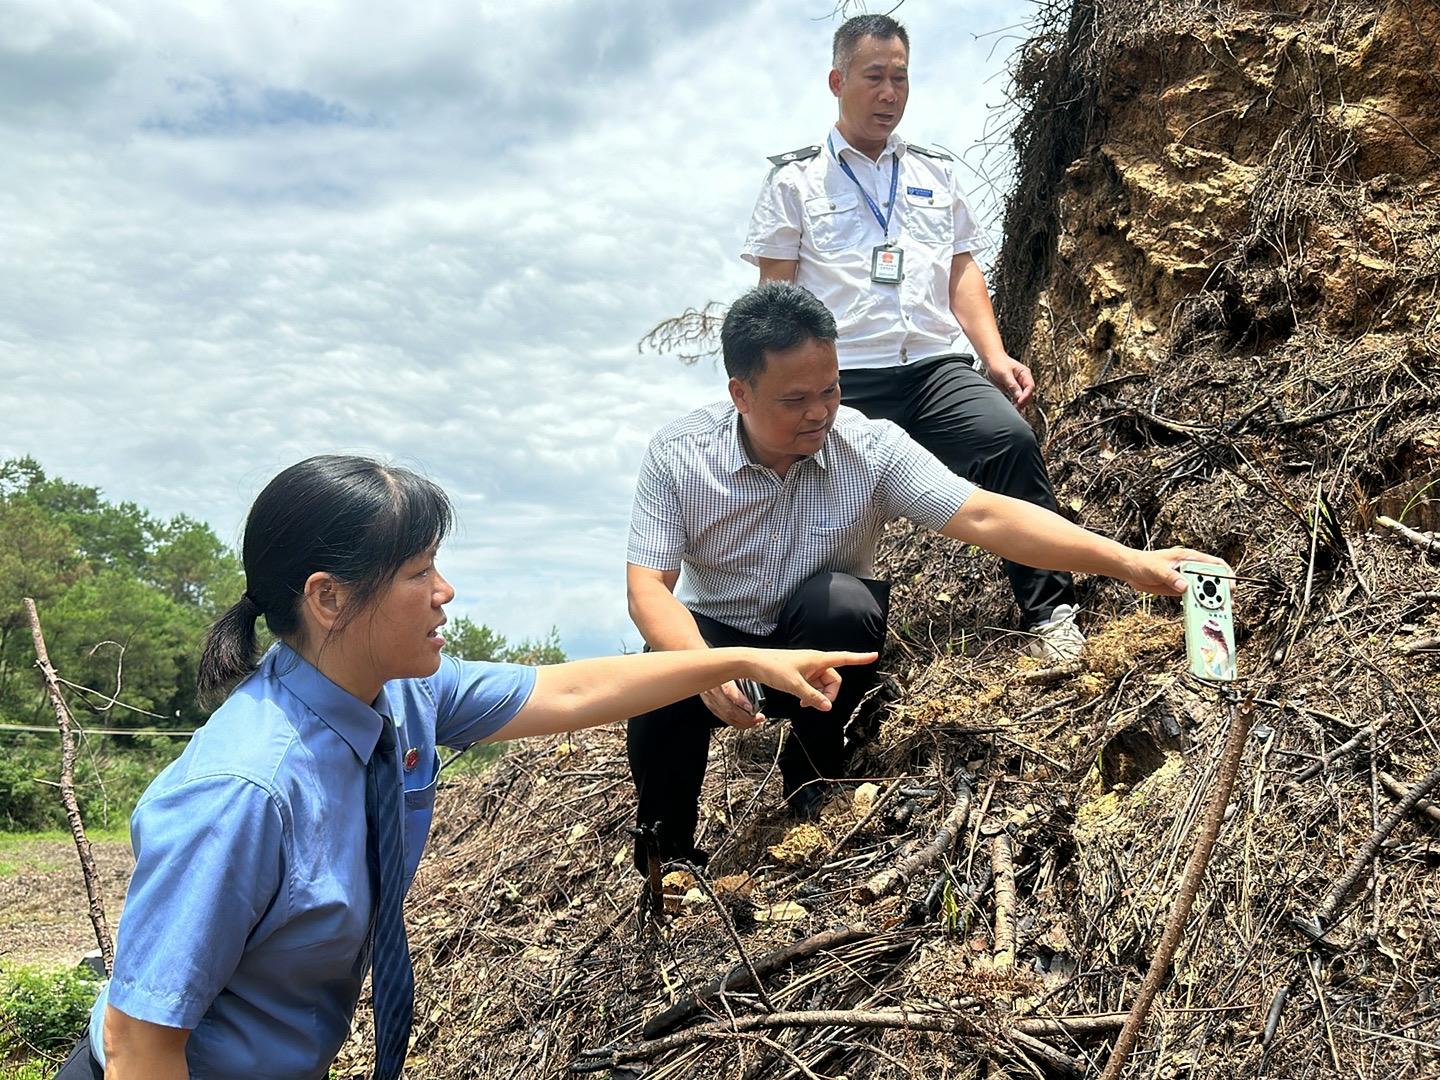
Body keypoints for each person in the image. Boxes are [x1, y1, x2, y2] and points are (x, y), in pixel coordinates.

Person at [59, 455, 874, 1080]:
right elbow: (139, 1044)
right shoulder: (244, 792)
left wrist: (738, 660)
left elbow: (575, 686)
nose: (446, 591)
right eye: (419, 572)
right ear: (328, 598)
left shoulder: (402, 695)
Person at [625, 282, 1224, 865]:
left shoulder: (870, 447)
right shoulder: (680, 456)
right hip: (720, 639)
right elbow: (648, 590)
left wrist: (1131, 562)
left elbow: (988, 515)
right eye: (794, 399)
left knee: (842, 604)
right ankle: (669, 855)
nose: (819, 413)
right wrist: (704, 666)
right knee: (659, 674)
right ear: (741, 393)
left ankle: (814, 779)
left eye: (830, 390)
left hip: (814, 646)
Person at [742, 13, 1086, 662]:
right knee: (825, 514)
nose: (889, 92)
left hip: (933, 369)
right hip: (844, 384)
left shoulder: (936, 172)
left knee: (1007, 441)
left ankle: (1052, 616)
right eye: (874, 76)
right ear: (837, 80)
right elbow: (773, 297)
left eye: (900, 78)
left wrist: (994, 354)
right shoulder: (794, 183)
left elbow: (961, 271)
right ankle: (808, 658)